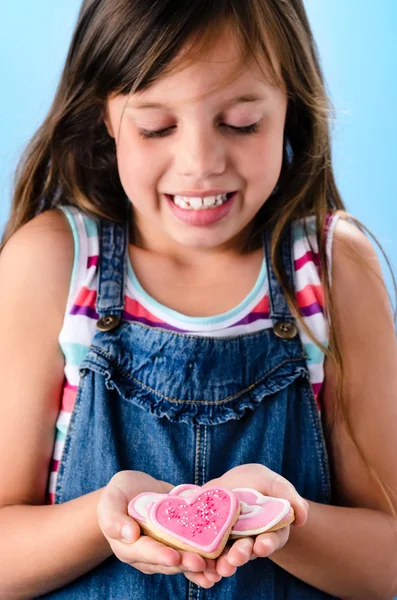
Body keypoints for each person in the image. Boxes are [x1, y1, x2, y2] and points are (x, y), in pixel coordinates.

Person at [0, 0, 396, 598]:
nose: (201, 164)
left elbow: (387, 560)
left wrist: (282, 520)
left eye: (240, 122)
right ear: (105, 114)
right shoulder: (51, 264)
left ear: (290, 105)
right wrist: (106, 519)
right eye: (157, 127)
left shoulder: (333, 271)